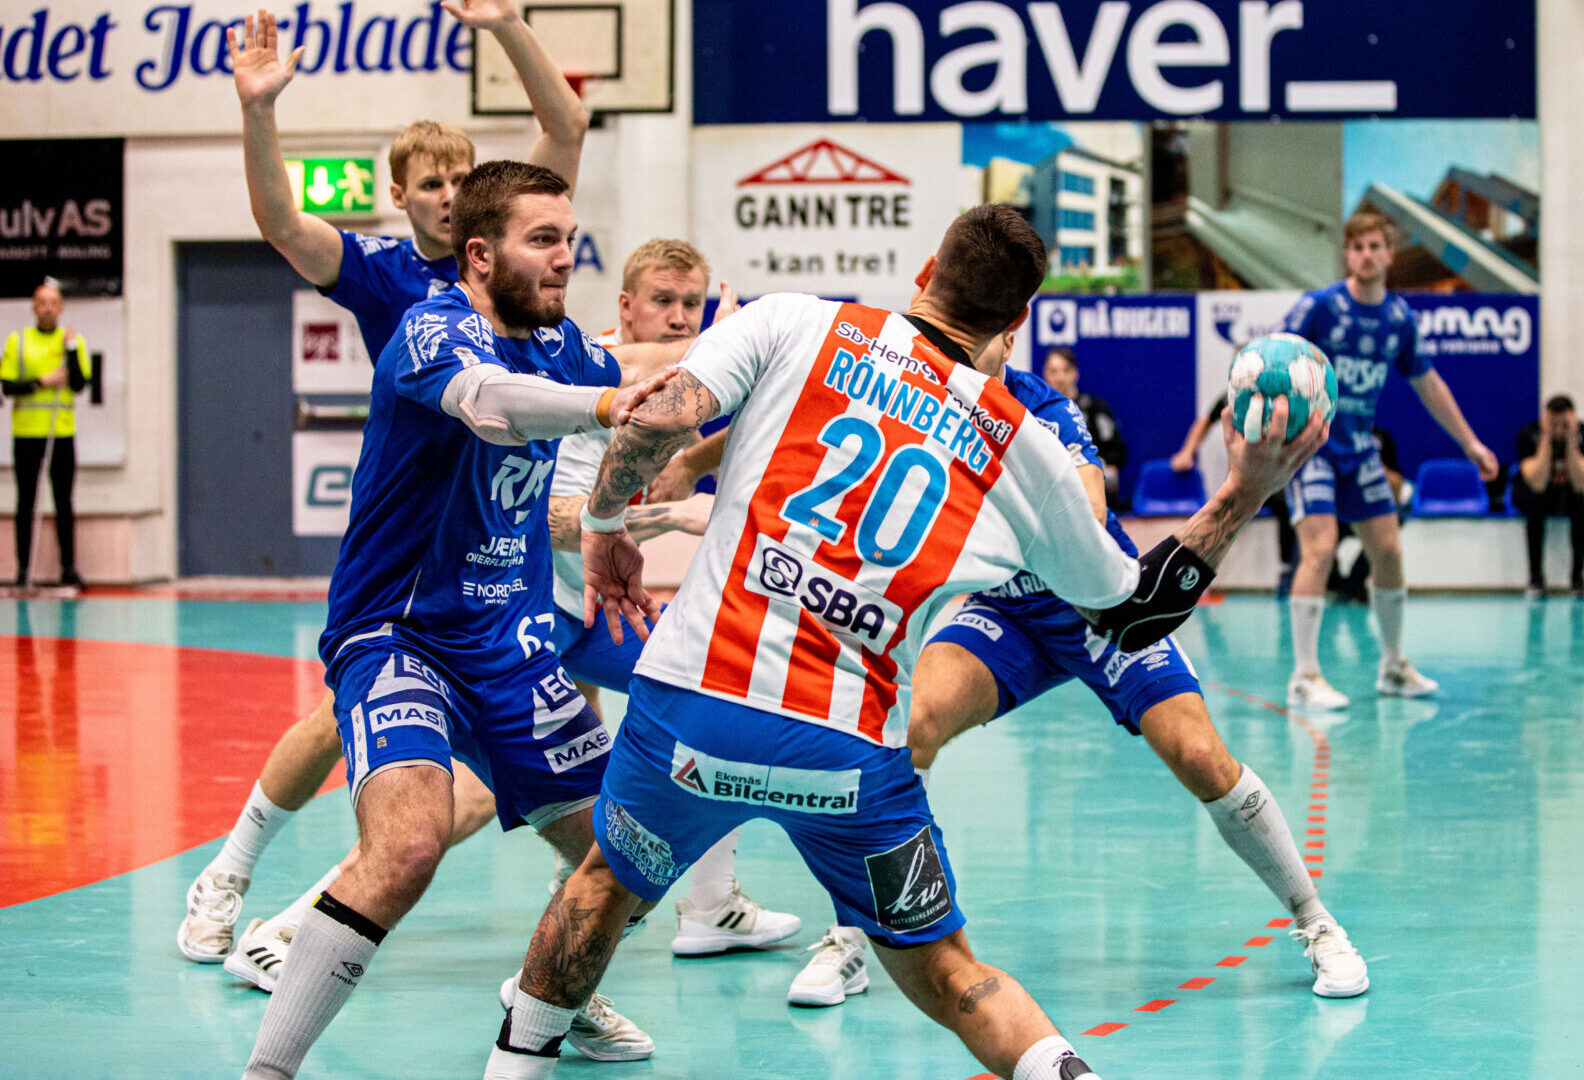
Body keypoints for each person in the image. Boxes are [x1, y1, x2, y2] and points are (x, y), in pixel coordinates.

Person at [482, 205, 1327, 1080]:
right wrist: (1245, 491)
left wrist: (606, 525)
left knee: (601, 888)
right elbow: (1130, 614)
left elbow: (657, 418)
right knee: (955, 974)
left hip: (694, 710)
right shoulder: (1021, 445)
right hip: (845, 754)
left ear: (925, 271)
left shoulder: (796, 320)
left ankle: (514, 1065)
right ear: (1018, 318)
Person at [781, 321, 1366, 1010]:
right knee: (911, 732)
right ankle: (852, 934)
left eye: (987, 334)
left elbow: (1085, 518)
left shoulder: (1044, 409)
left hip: (1097, 605)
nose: (970, 347)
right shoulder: (921, 399)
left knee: (1201, 756)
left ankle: (1316, 921)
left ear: (1010, 337)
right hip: (1007, 612)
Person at [233, 159, 665, 1080]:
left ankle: (539, 998)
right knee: (409, 846)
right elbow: (489, 405)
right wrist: (602, 405)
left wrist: (774, 343)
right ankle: (266, 1071)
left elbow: (638, 368)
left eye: (569, 238)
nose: (565, 257)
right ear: (479, 255)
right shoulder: (433, 329)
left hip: (511, 652)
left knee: (628, 860)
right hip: (401, 636)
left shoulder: (559, 345)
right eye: (542, 240)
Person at [180, 2, 590, 966]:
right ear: (399, 194)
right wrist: (258, 110)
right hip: (415, 527)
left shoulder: (514, 264)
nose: (448, 195)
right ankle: (231, 876)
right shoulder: (382, 275)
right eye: (430, 182)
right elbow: (280, 220)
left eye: (460, 179)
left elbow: (567, 127)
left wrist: (507, 26)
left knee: (520, 735)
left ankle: (553, 939)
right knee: (342, 716)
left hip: (497, 527)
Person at [548, 238, 801, 957]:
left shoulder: (689, 384)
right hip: (528, 607)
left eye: (691, 303)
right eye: (663, 301)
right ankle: (310, 917)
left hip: (589, 607)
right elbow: (551, 525)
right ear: (625, 307)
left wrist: (689, 461)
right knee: (466, 800)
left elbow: (753, 410)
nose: (681, 316)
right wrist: (672, 515)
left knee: (713, 703)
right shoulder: (593, 371)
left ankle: (707, 905)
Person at [1282, 210, 1500, 711]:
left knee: (1389, 550)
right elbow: (1272, 357)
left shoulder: (1399, 319)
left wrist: (1470, 443)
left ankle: (1394, 666)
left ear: (1390, 254)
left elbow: (1429, 383)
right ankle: (1304, 675)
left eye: (1375, 246)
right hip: (1311, 449)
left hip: (1360, 449)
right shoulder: (1319, 307)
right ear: (1347, 254)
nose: (1366, 255)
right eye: (1357, 247)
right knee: (1320, 549)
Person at [2, 279, 90, 587]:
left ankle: (68, 568)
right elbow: (7, 386)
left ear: (61, 307)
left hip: (60, 432)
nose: (48, 308)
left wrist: (70, 350)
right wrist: (42, 382)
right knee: (25, 501)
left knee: (63, 501)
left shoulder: (73, 342)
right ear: (34, 307)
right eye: (42, 303)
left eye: (53, 303)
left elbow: (79, 384)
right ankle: (23, 569)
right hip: (27, 433)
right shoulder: (19, 342)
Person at [1172, 390, 1296, 588]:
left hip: (1270, 478)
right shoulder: (1234, 396)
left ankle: (1286, 568)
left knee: (1285, 504)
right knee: (1222, 510)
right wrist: (1187, 452)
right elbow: (1205, 421)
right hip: (1242, 477)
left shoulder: (1281, 399)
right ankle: (1199, 568)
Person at [1514, 396, 1584, 600]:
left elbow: (1579, 482)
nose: (1559, 429)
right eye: (1554, 424)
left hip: (1568, 491)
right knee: (1535, 505)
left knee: (1580, 506)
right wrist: (1546, 436)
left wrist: (1571, 439)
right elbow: (1537, 482)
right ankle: (1536, 579)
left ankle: (1577, 580)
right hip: (1535, 492)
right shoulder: (1529, 433)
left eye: (1564, 424)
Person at [1041, 346, 1128, 509]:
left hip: (1089, 487)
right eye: (1053, 371)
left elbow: (1117, 453)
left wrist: (1097, 464)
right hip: (1050, 490)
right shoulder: (1036, 412)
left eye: (1066, 370)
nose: (1060, 377)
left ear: (1075, 373)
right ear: (1045, 374)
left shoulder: (1096, 408)